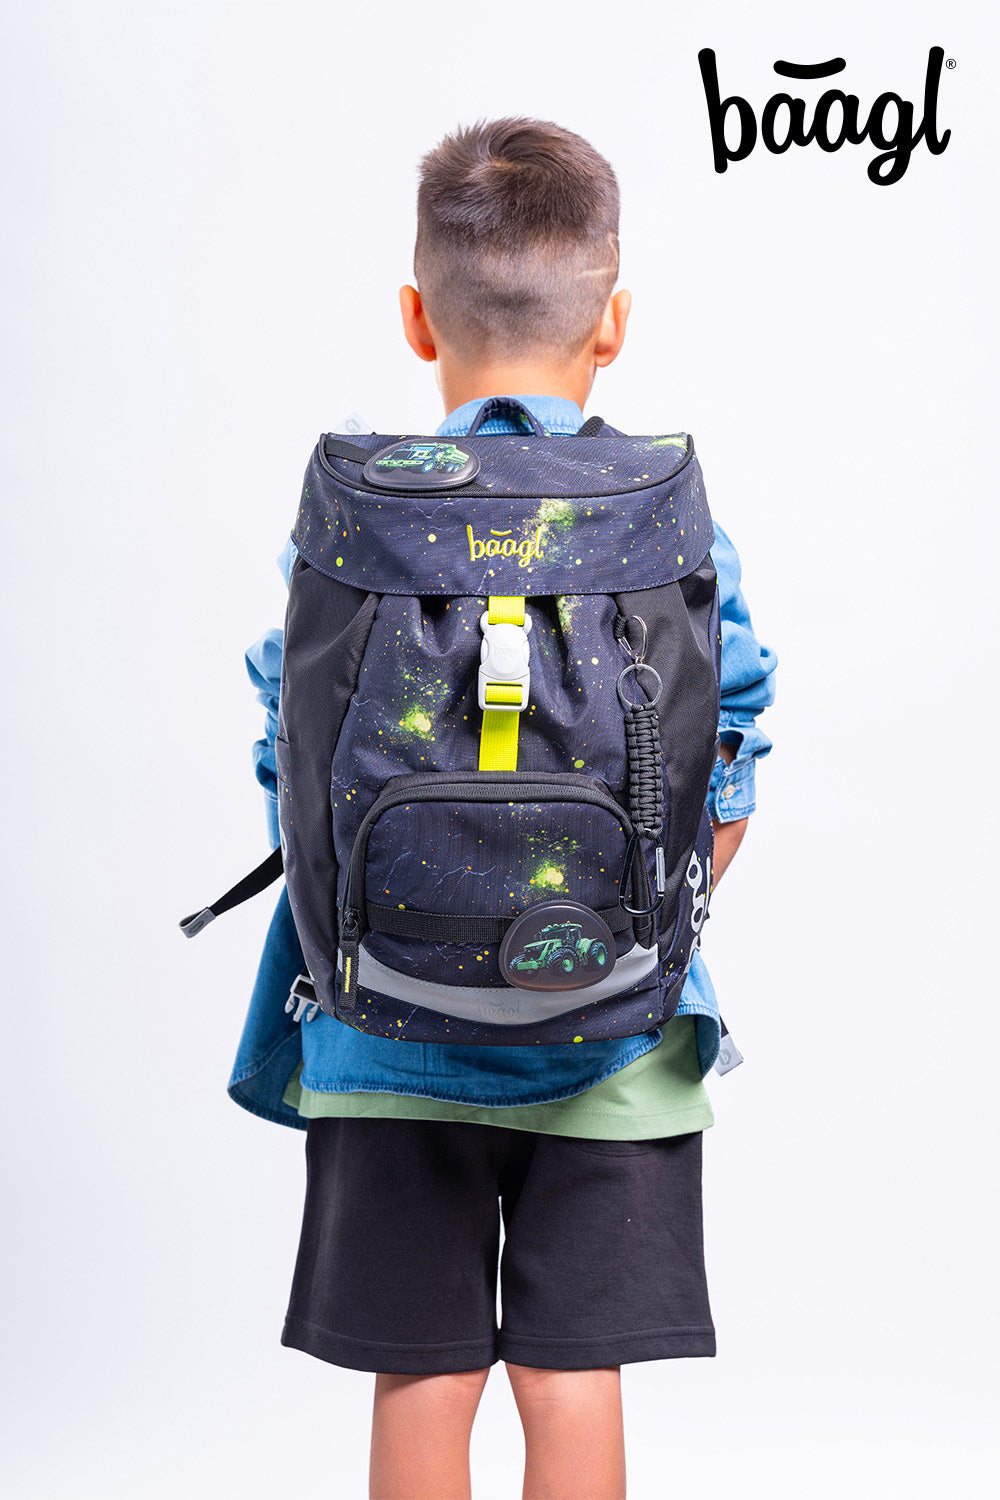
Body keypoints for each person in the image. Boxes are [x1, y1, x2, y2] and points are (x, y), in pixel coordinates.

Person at [230, 118, 777, 1500]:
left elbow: (288, 755)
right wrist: (631, 930)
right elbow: (726, 758)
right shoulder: (667, 511)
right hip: (617, 1029)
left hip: (380, 1023)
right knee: (571, 1372)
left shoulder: (356, 514)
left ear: (418, 319)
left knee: (421, 1373)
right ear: (615, 323)